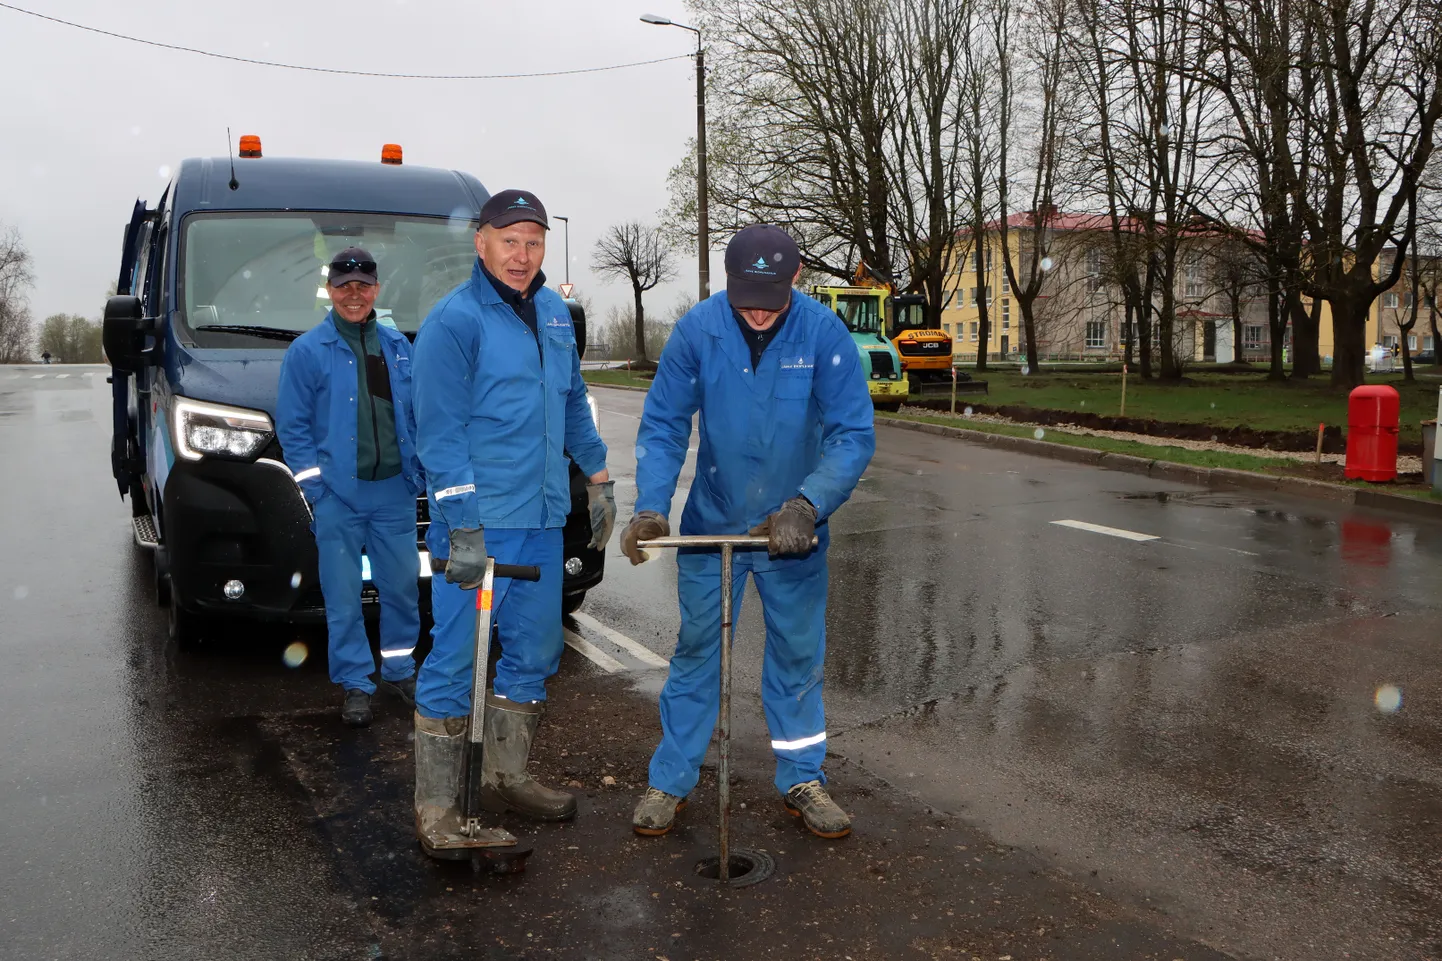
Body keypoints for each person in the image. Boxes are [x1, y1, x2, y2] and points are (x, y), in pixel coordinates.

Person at [619, 224, 875, 839]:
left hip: (792, 533)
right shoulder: (698, 331)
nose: (758, 311)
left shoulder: (823, 333)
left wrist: (809, 504)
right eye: (745, 297)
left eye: (772, 296)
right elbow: (663, 426)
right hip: (714, 528)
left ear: (796, 281)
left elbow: (852, 434)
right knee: (698, 653)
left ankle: (803, 778)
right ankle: (671, 779)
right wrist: (652, 507)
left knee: (796, 656)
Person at [409, 189, 615, 857]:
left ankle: (506, 773)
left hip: (543, 517)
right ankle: (438, 808)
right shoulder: (455, 322)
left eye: (533, 242)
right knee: (454, 661)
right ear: (481, 242)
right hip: (480, 524)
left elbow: (574, 400)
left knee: (534, 651)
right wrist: (463, 525)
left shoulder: (553, 314)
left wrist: (601, 476)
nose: (522, 255)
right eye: (509, 241)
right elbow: (439, 436)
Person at [276, 248, 424, 728]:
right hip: (338, 497)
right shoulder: (307, 351)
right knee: (343, 598)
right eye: (344, 286)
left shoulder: (398, 346)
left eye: (362, 286)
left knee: (402, 588)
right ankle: (356, 683)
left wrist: (418, 472)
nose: (354, 294)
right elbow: (293, 428)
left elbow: (417, 414)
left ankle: (399, 670)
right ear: (331, 291)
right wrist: (316, 489)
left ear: (376, 290)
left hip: (394, 496)